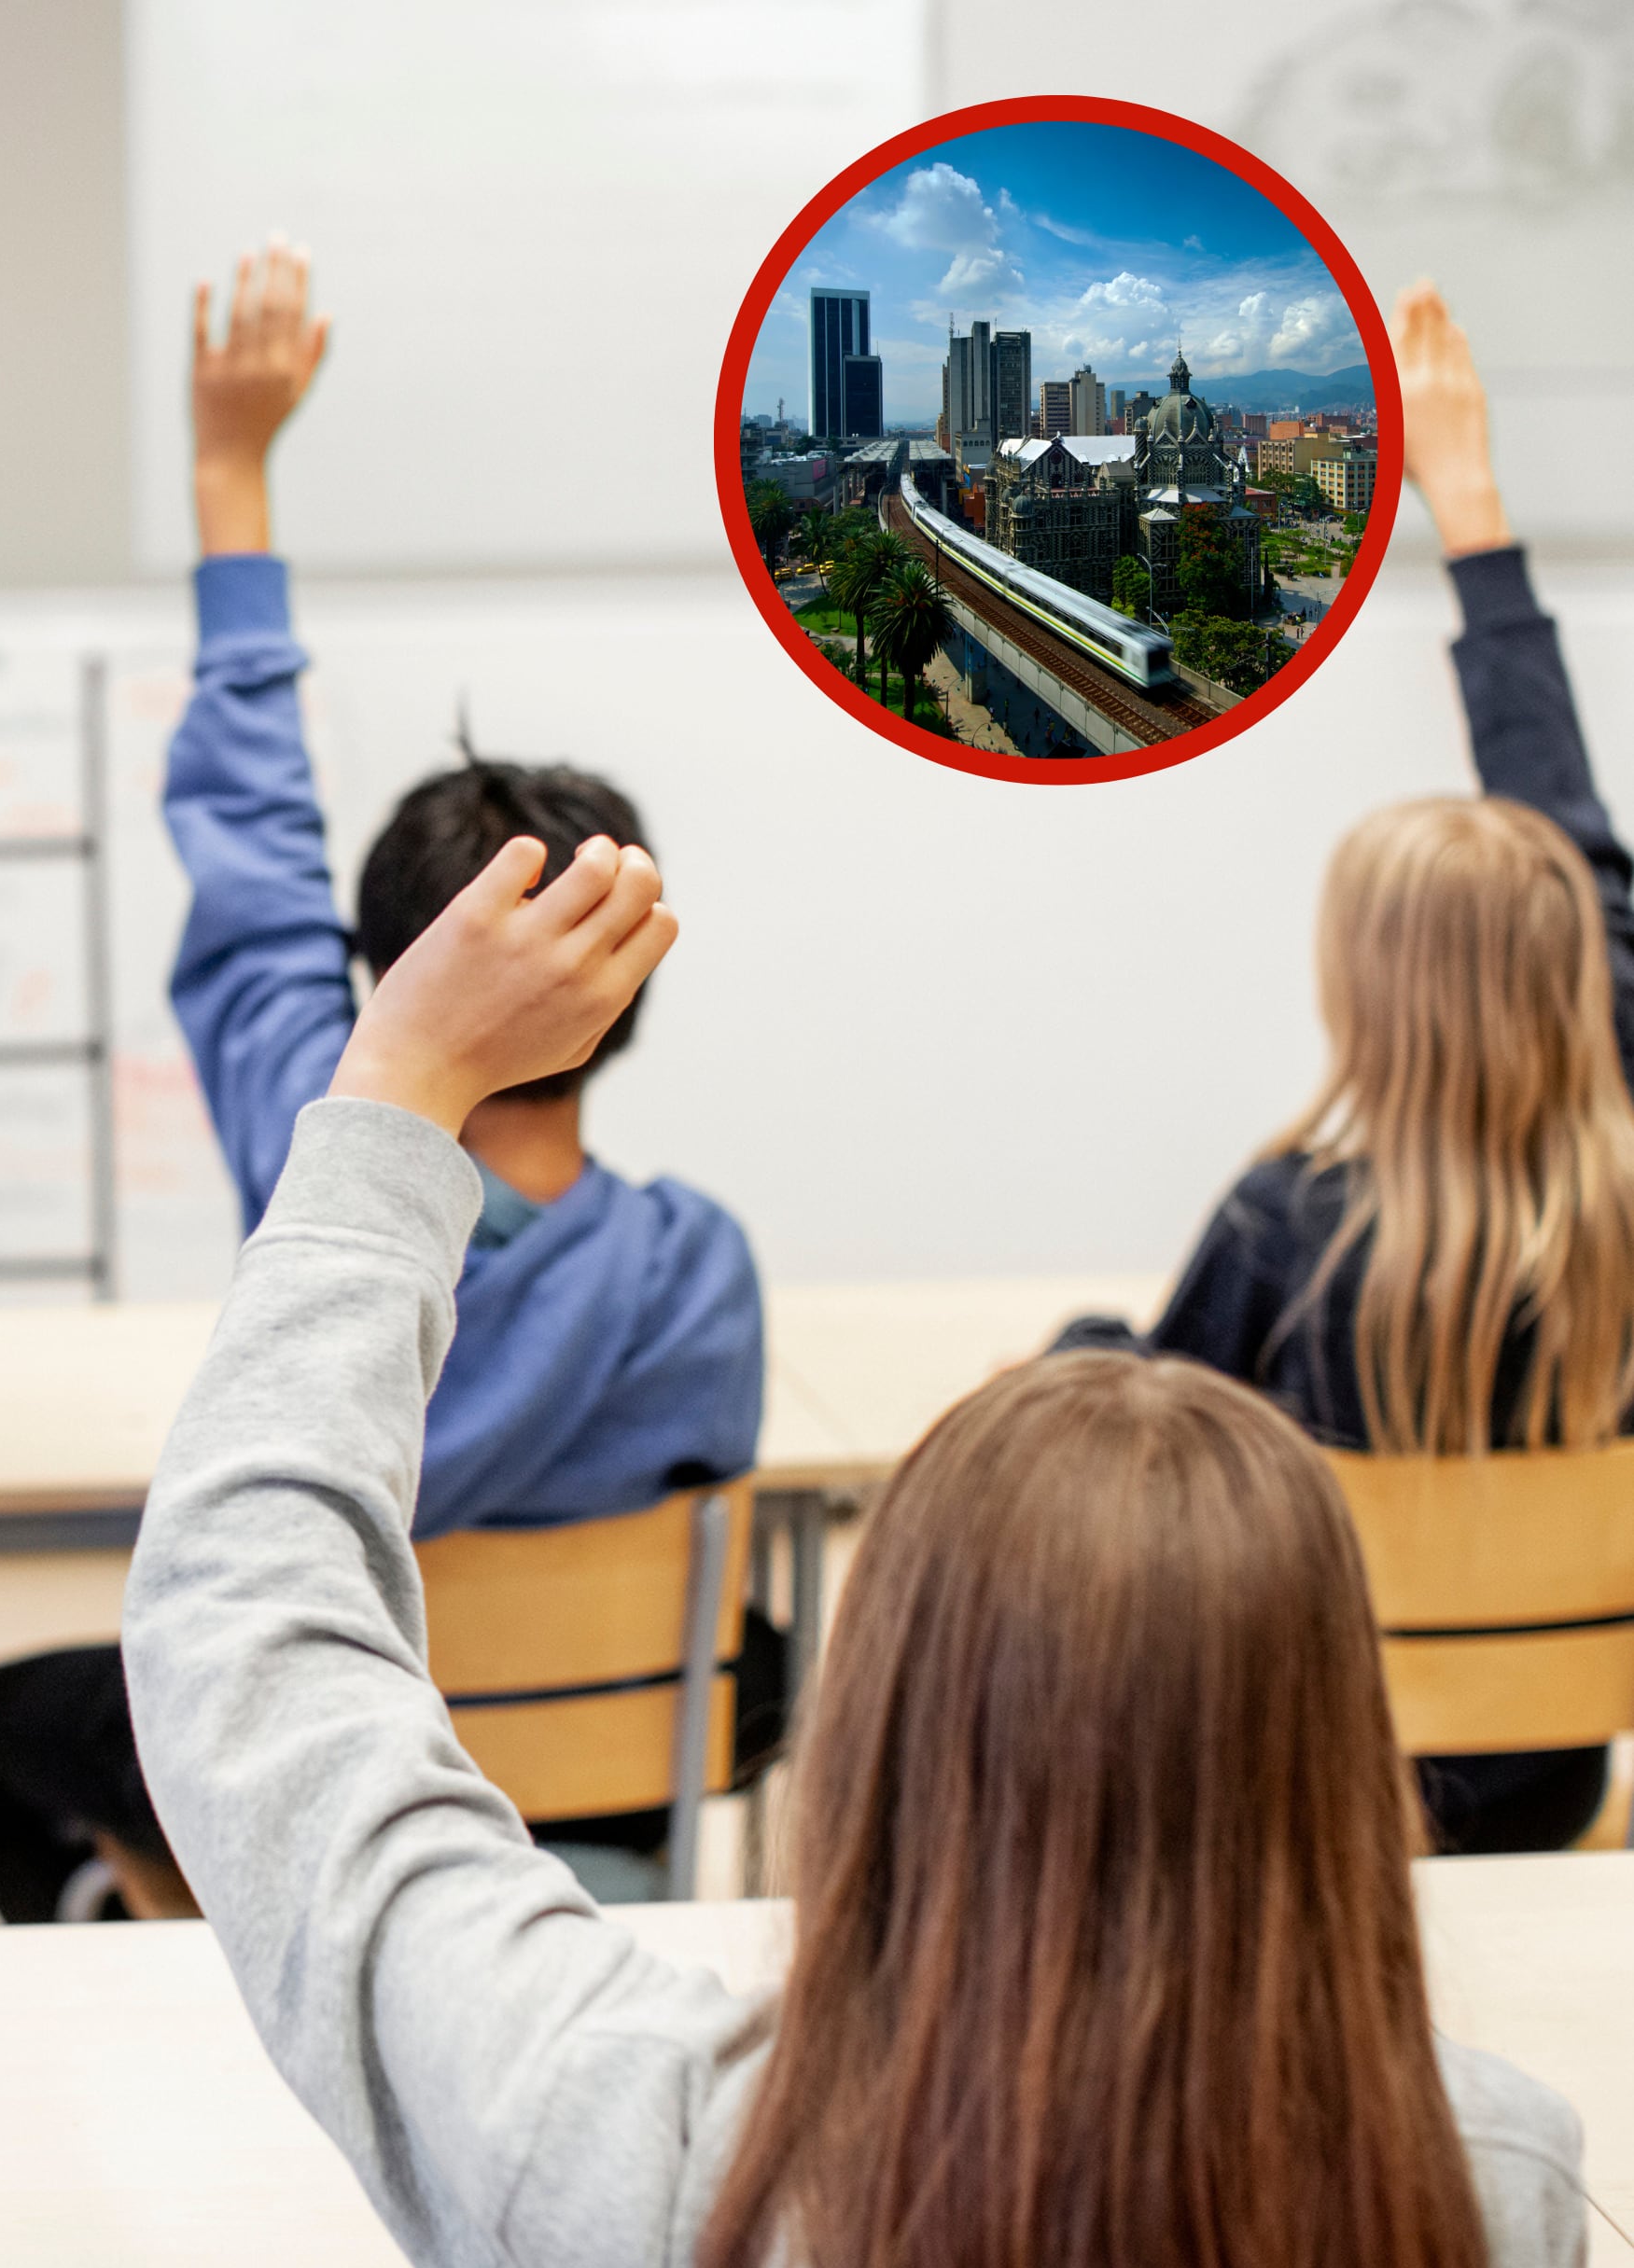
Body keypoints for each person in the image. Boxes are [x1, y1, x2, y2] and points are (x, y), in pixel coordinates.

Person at [122, 827, 1587, 2268]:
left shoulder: (640, 2139)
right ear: (1336, 1740)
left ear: (884, 1714)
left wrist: (396, 1085)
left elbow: (251, 1626)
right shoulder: (1491, 2176)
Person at [0, 240, 768, 1923]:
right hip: (593, 1814)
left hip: (331, 1800)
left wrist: (229, 470)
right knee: (765, 1650)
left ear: (390, 982)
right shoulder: (700, 1269)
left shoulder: (297, 1141)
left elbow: (246, 846)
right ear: (627, 976)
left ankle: (140, 1922)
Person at [1061, 282, 1634, 1856]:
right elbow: (1579, 862)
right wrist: (1481, 526)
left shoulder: (1282, 1223)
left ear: (1359, 994)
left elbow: (1142, 1421)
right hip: (1556, 1777)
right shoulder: (1616, 1201)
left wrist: (1079, 1337)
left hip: (1324, 1795)